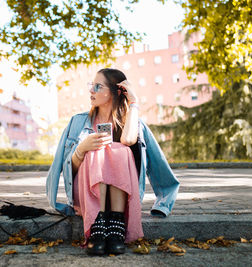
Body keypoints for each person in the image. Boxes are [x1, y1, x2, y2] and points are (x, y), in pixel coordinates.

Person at [46, 68, 180, 256]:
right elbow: (69, 170)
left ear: (115, 91)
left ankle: (117, 224)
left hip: (121, 196)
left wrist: (133, 104)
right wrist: (81, 150)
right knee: (95, 151)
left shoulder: (134, 122)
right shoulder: (77, 123)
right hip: (86, 192)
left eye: (97, 86)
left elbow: (128, 141)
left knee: (120, 150)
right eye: (91, 86)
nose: (91, 91)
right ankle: (97, 225)